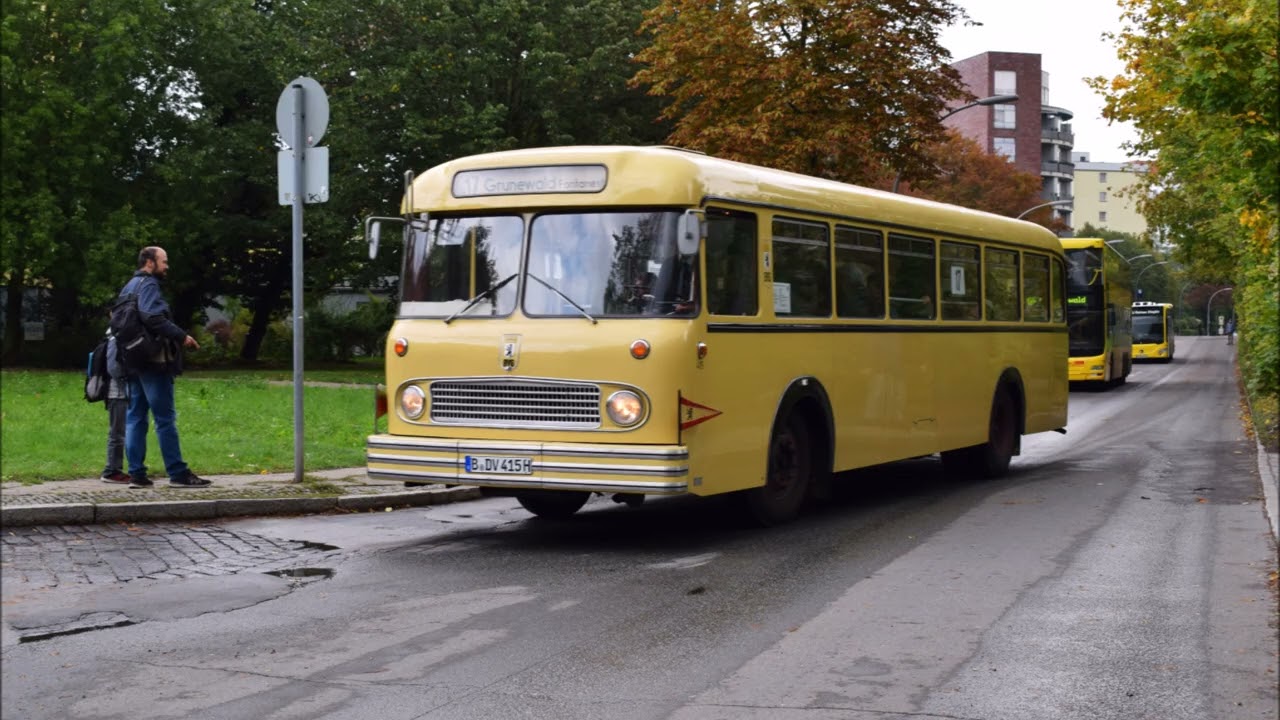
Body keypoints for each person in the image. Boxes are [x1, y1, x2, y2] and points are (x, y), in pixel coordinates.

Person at [117, 246, 209, 488]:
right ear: (150, 262)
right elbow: (153, 317)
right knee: (164, 419)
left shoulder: (129, 286)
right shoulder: (148, 285)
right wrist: (182, 336)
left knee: (135, 417)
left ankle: (136, 475)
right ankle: (178, 473)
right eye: (164, 261)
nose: (167, 266)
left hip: (133, 360)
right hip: (153, 362)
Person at [100, 333, 131, 484]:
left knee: (120, 432)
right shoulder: (115, 339)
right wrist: (126, 382)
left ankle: (115, 469)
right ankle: (111, 471)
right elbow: (113, 368)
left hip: (122, 392)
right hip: (117, 394)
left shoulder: (118, 337)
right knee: (117, 433)